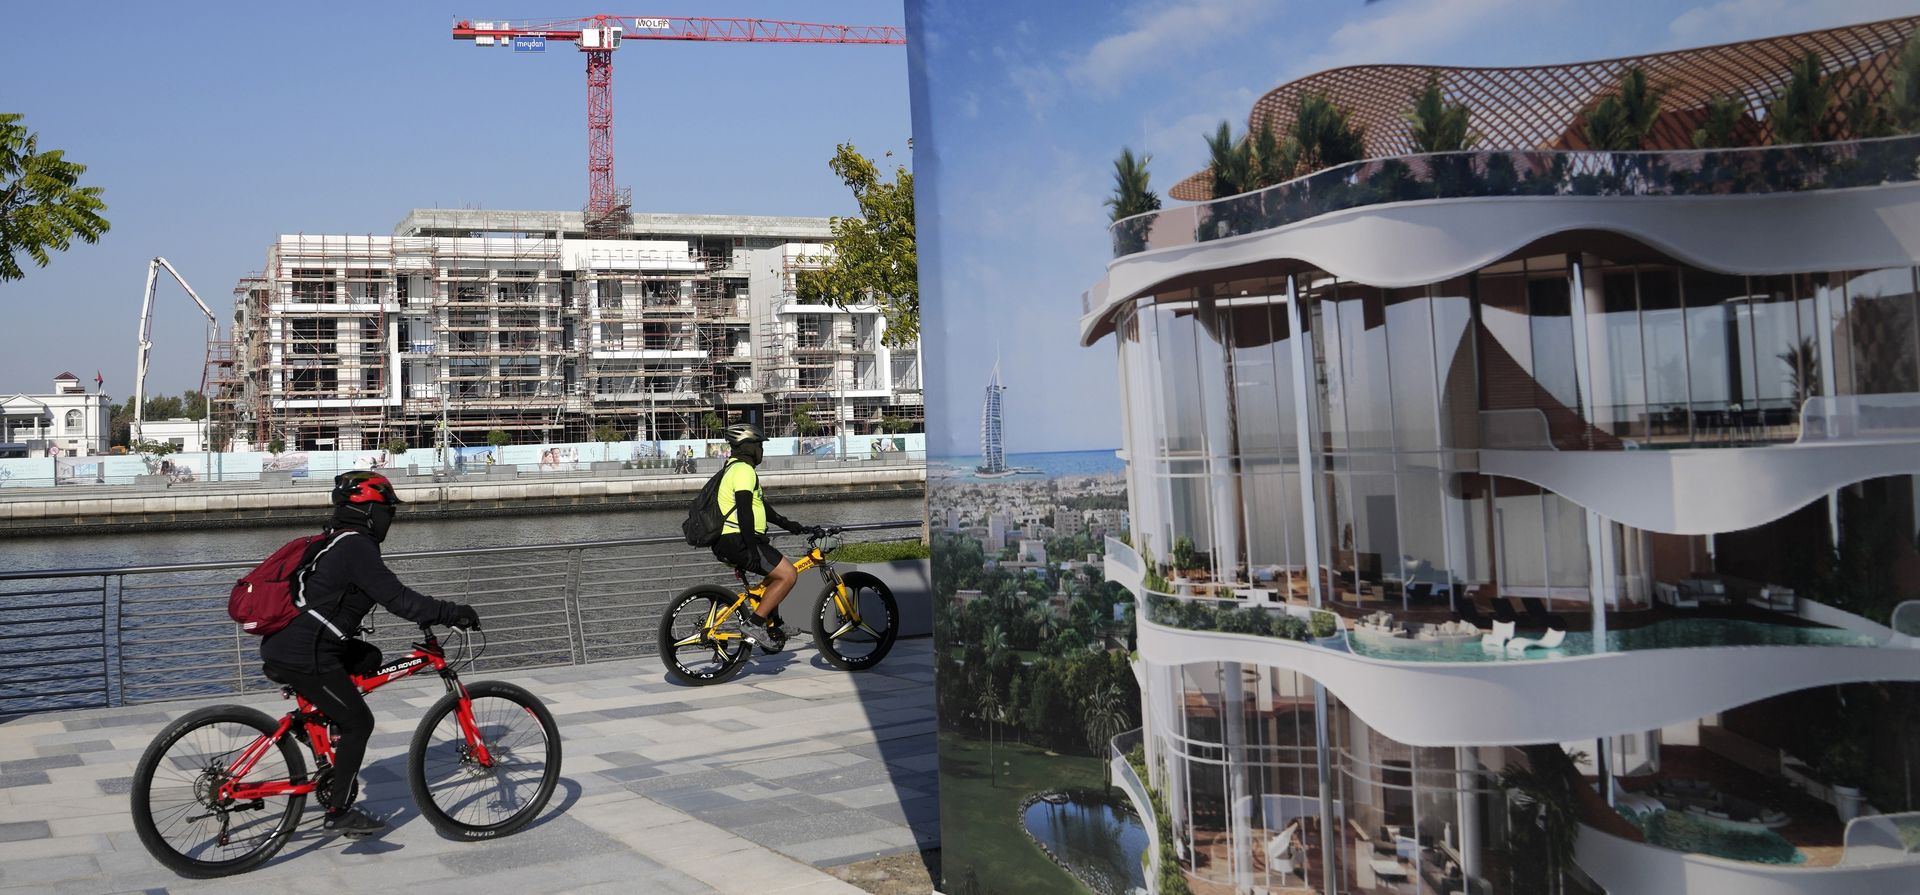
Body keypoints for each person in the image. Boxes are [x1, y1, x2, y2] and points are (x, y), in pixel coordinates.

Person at [260, 471, 481, 837]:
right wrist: (450, 611)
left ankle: (314, 725)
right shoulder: (355, 546)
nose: (390, 519)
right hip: (306, 653)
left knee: (368, 659)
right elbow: (398, 599)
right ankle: (338, 809)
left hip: (293, 643)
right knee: (359, 722)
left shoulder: (336, 538)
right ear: (369, 511)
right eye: (388, 511)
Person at [709, 423, 824, 652]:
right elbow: (744, 510)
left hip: (734, 539)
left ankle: (775, 624)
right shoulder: (743, 470)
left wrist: (790, 525)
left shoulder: (735, 468)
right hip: (739, 539)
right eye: (760, 445)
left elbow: (762, 507)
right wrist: (751, 549)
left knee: (774, 573)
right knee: (788, 575)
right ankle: (755, 624)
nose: (762, 450)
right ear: (748, 446)